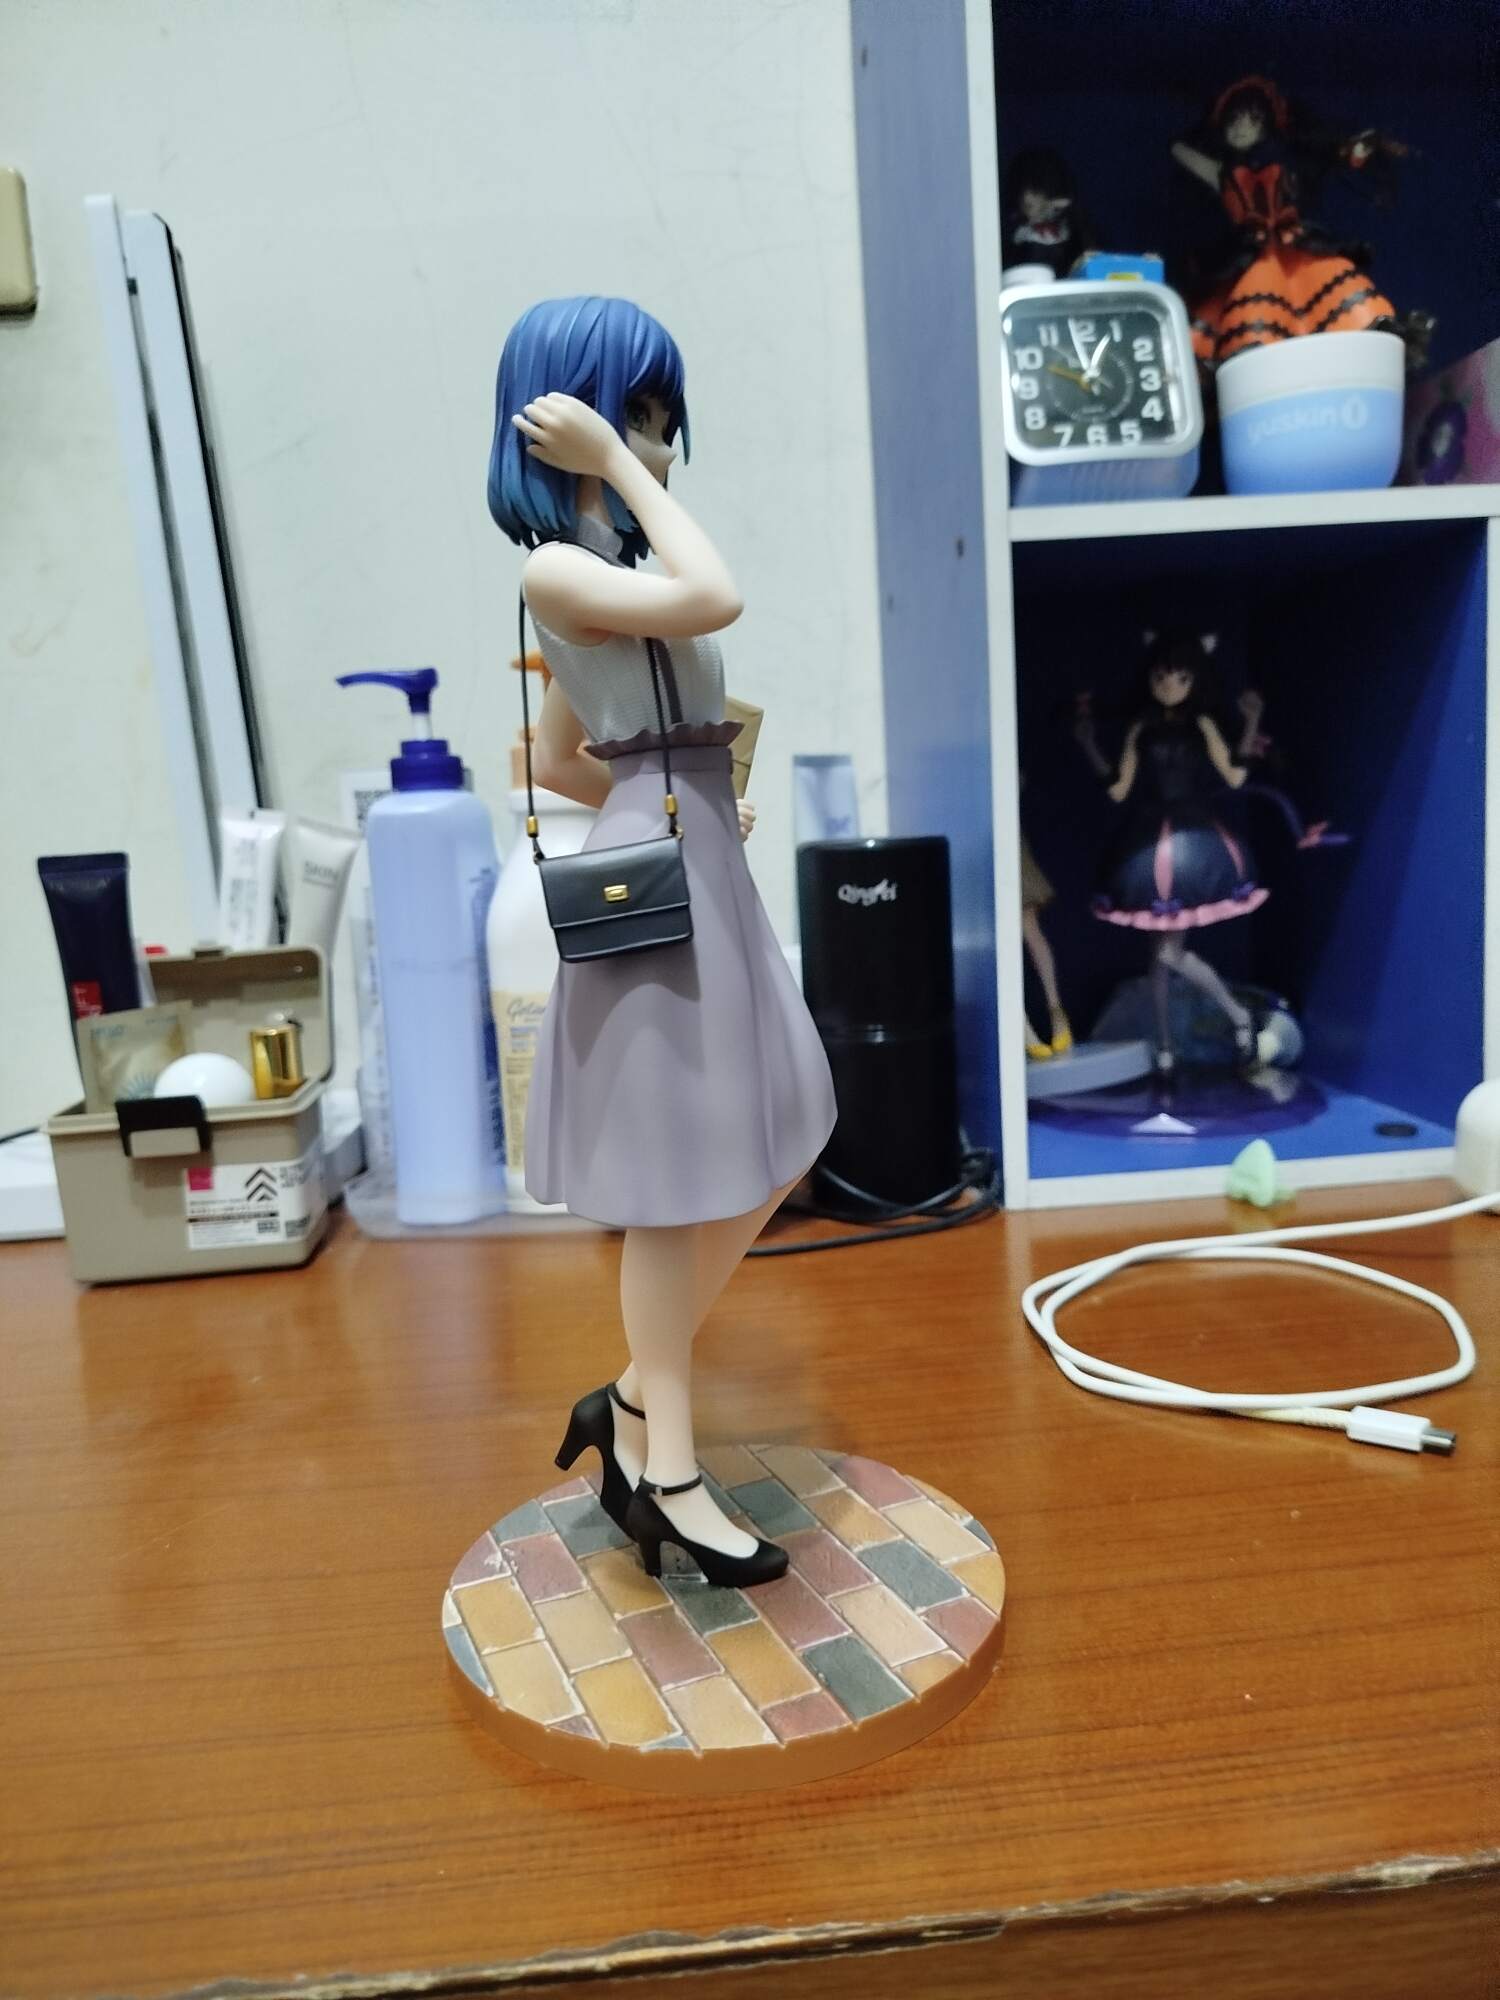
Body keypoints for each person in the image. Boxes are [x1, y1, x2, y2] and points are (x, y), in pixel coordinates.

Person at [487, 296, 837, 1588]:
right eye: (636, 413)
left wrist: (680, 782)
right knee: (674, 1182)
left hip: (700, 856)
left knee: (782, 1130)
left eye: (662, 418)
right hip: (658, 891)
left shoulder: (615, 573)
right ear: (562, 418)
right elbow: (717, 594)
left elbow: (555, 758)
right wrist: (618, 468)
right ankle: (668, 1475)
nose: (661, 443)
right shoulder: (555, 570)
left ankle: (634, 1398)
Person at [1075, 633, 1266, 1076]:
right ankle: (1164, 1045)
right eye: (1160, 676)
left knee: (1166, 953)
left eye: (1180, 677)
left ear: (1195, 680)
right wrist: (1088, 744)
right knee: (1158, 952)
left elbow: (1235, 776)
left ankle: (1237, 1015)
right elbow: (1119, 789)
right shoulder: (1140, 727)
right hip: (1149, 838)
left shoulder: (1202, 723)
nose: (1168, 685)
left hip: (1191, 838)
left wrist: (1252, 721)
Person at [1171, 74, 1424, 370]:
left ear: (1265, 124)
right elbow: (1178, 149)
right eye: (1233, 121)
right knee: (1251, 306)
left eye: (1251, 120)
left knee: (1331, 288)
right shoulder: (1221, 171)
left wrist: (1353, 150)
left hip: (1294, 243)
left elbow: (1332, 157)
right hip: (1248, 250)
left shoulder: (1291, 164)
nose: (1241, 128)